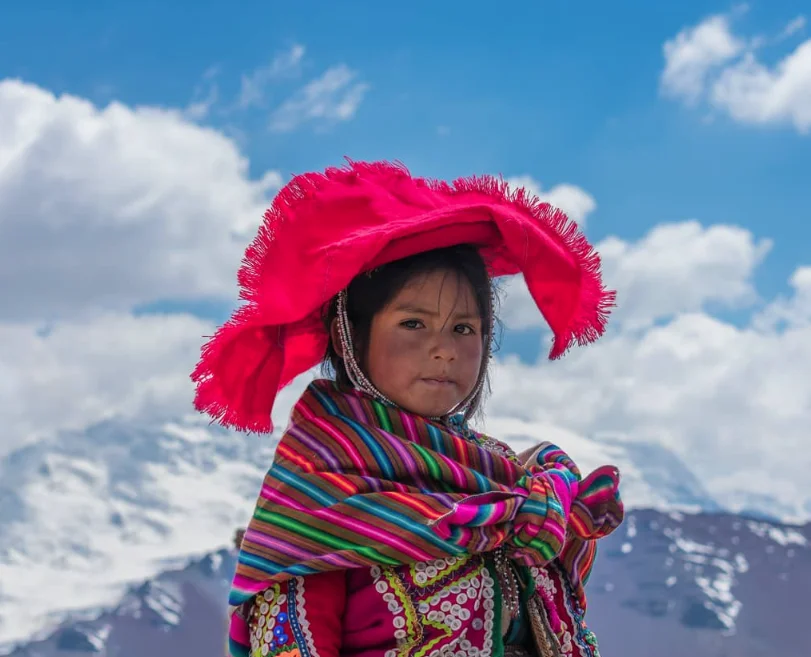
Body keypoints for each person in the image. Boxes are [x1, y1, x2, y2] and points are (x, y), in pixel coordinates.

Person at [192, 160, 624, 657]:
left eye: (464, 328)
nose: (444, 350)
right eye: (413, 324)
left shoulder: (506, 477)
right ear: (348, 337)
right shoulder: (320, 488)